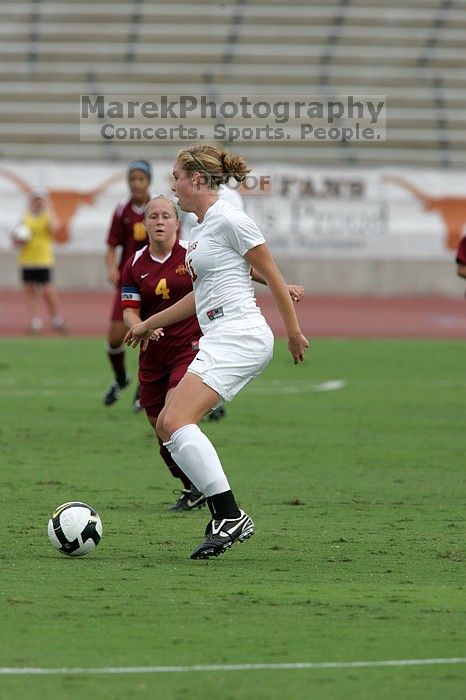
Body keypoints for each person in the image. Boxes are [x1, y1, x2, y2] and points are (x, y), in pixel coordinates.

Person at [125, 143, 308, 560]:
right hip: (219, 335)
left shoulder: (229, 217)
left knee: (174, 419)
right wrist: (150, 323)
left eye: (176, 176)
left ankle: (229, 515)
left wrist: (294, 332)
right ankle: (225, 513)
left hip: (240, 335)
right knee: (167, 426)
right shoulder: (202, 229)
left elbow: (273, 274)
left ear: (199, 180)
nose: (172, 184)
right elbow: (199, 295)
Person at [103, 160, 152, 410]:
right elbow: (112, 245)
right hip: (128, 283)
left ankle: (145, 390)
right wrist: (112, 267)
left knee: (152, 337)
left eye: (141, 179)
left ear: (149, 182)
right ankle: (122, 379)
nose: (136, 184)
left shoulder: (158, 209)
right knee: (114, 339)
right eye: (132, 179)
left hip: (154, 282)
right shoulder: (122, 210)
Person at [11, 188, 68, 335]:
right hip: (27, 260)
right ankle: (34, 320)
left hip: (43, 259)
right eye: (35, 200)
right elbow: (15, 238)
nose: (38, 203)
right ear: (31, 201)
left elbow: (55, 228)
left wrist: (48, 209)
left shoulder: (47, 216)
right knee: (30, 290)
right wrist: (18, 241)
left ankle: (56, 318)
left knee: (48, 290)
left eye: (40, 200)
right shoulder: (24, 218)